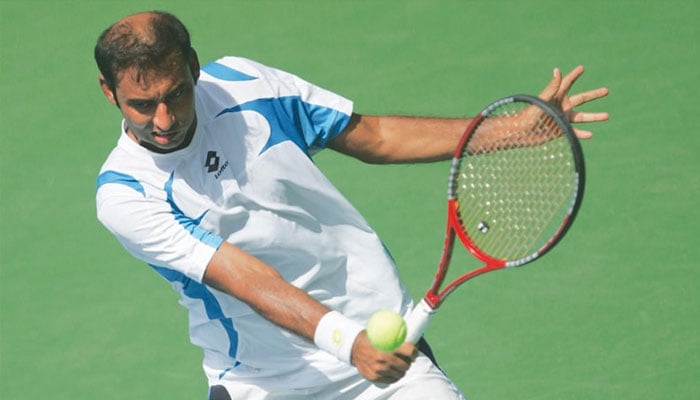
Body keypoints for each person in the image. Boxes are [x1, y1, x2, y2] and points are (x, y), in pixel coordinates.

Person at [94, 10, 608, 400]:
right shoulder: (126, 195)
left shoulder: (249, 87)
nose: (163, 118)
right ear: (109, 93)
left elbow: (374, 137)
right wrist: (348, 342)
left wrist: (513, 131)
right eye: (143, 104)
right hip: (264, 382)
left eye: (176, 94)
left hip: (384, 359)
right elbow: (250, 279)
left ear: (195, 68)